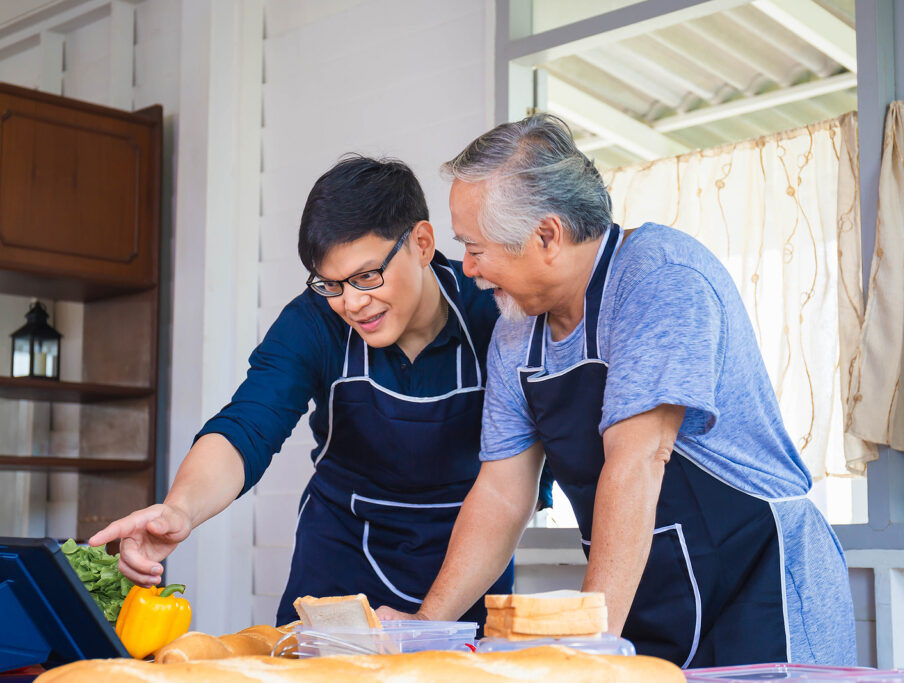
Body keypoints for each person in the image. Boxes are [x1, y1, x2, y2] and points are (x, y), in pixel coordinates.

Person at [377, 114, 857, 668]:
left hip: (760, 585)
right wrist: (426, 625)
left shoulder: (660, 280)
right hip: (647, 595)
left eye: (477, 248)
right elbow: (503, 493)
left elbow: (638, 460)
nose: (469, 268)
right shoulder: (515, 328)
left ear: (547, 236)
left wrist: (590, 646)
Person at [89, 155, 513, 626]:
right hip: (342, 561)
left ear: (422, 243)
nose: (352, 303)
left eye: (367, 276)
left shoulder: (494, 313)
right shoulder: (312, 321)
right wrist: (180, 510)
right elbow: (248, 425)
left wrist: (433, 620)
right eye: (331, 284)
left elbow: (521, 475)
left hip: (470, 562)